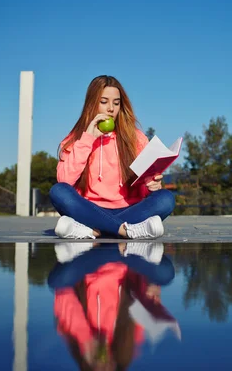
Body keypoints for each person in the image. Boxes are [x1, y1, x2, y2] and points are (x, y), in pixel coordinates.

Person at [49, 75, 176, 240]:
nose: (111, 108)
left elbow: (143, 191)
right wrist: (88, 138)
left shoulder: (136, 138)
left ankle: (93, 231)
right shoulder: (77, 138)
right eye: (104, 102)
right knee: (58, 192)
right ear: (91, 104)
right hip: (89, 209)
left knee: (165, 199)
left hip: (130, 209)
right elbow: (64, 180)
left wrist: (152, 185)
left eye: (116, 103)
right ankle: (126, 231)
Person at [48, 242, 179, 370]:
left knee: (57, 281)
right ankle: (117, 231)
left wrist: (86, 340)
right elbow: (139, 291)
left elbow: (64, 294)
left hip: (89, 260)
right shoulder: (129, 338)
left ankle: (108, 232)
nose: (103, 368)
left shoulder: (76, 338)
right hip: (125, 256)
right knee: (164, 275)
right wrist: (151, 290)